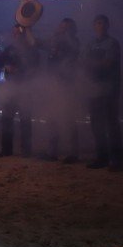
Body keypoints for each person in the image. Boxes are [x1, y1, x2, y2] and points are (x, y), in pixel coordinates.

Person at [0, 23, 40, 157]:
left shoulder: (30, 49)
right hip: (11, 90)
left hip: (25, 89)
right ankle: (6, 150)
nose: (15, 35)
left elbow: (36, 66)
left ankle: (26, 150)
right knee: (6, 119)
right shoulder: (9, 49)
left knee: (25, 120)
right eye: (14, 33)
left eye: (17, 33)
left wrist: (19, 70)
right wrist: (2, 64)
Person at [84, 14, 123, 171]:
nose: (99, 26)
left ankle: (116, 160)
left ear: (107, 26)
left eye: (102, 23)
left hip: (108, 89)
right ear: (94, 26)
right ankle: (102, 157)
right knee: (96, 125)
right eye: (97, 23)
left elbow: (108, 63)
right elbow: (84, 62)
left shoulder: (112, 43)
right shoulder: (90, 43)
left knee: (111, 125)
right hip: (94, 89)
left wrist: (92, 65)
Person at [43, 18, 81, 162]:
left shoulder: (74, 42)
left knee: (68, 118)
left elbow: (71, 59)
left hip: (67, 84)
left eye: (65, 27)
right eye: (61, 26)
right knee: (52, 118)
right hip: (53, 83)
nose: (62, 29)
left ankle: (73, 153)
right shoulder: (54, 41)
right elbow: (38, 44)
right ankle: (52, 152)